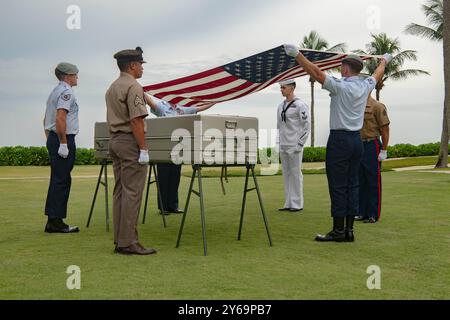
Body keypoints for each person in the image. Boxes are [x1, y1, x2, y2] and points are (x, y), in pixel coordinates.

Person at [284, 44, 391, 242]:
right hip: (356, 141)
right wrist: (384, 60)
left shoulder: (340, 86)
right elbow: (377, 73)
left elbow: (316, 73)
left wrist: (297, 54)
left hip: (340, 141)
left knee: (338, 186)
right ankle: (349, 231)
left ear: (345, 69)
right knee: (353, 184)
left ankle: (338, 231)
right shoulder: (366, 84)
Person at [105, 46, 156, 255]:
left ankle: (120, 239)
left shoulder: (112, 87)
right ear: (133, 65)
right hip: (129, 142)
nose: (142, 69)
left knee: (120, 191)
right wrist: (143, 148)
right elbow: (136, 120)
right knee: (133, 193)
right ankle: (129, 242)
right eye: (141, 65)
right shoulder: (134, 87)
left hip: (115, 140)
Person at [144, 95, 215, 214]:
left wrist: (216, 100)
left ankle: (173, 206)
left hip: (178, 149)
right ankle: (163, 208)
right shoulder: (162, 107)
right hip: (165, 149)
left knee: (174, 178)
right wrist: (141, 91)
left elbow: (200, 108)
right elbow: (151, 103)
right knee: (163, 178)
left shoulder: (182, 108)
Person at [43, 62, 80, 233]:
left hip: (54, 137)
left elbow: (46, 120)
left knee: (58, 178)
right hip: (62, 138)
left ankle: (53, 219)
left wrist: (50, 139)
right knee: (62, 180)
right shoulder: (66, 92)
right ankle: (55, 222)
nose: (77, 77)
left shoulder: (55, 91)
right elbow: (60, 119)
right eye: (75, 74)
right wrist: (63, 143)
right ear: (67, 76)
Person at [276, 79, 310, 213]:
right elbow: (278, 126)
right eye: (281, 87)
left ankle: (297, 204)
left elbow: (306, 126)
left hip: (294, 144)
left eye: (283, 87)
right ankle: (288, 202)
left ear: (292, 88)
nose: (281, 90)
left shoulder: (300, 105)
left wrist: (300, 144)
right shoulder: (280, 106)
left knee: (295, 174)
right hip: (283, 144)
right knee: (286, 174)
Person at [355, 94, 390, 223]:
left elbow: (385, 129)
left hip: (372, 144)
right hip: (358, 144)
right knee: (360, 180)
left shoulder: (377, 106)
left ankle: (373, 214)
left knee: (373, 181)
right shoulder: (355, 105)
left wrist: (384, 150)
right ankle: (361, 212)